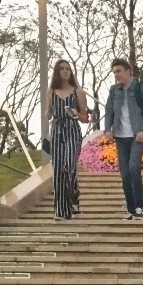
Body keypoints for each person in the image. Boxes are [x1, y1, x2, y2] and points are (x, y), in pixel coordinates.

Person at [102, 58, 143, 221]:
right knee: (125, 174)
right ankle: (131, 209)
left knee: (134, 168)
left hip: (136, 136)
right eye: (114, 72)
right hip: (120, 137)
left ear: (128, 71)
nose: (116, 75)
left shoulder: (140, 89)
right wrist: (107, 129)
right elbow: (109, 110)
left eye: (118, 71)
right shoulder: (114, 90)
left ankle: (140, 208)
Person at [44, 59, 90, 221]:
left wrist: (76, 114)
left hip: (72, 129)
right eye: (62, 69)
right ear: (57, 72)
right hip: (56, 130)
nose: (65, 71)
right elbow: (49, 112)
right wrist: (48, 114)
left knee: (68, 165)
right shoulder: (50, 92)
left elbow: (85, 117)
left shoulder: (78, 92)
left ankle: (74, 196)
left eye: (68, 69)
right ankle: (61, 210)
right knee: (58, 169)